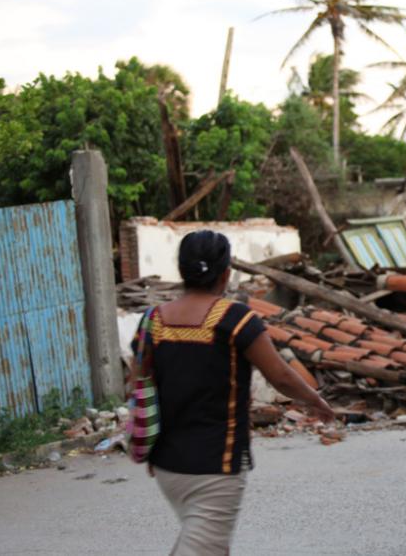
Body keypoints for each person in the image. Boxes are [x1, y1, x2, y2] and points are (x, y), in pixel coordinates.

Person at [131, 230, 334, 556]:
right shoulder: (236, 320)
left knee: (208, 545)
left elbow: (138, 383)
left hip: (168, 468)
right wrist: (316, 400)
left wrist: (145, 441)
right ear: (226, 274)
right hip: (216, 469)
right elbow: (280, 375)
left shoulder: (153, 321)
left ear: (181, 271)